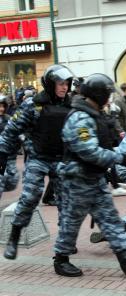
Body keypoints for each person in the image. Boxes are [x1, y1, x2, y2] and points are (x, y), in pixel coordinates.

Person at [53, 73, 126, 277]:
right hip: (78, 180)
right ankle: (61, 259)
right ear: (98, 95)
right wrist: (118, 157)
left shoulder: (94, 113)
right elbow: (88, 151)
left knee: (110, 219)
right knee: (71, 222)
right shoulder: (81, 117)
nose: (109, 98)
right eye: (106, 93)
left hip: (94, 178)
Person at [1, 64, 74, 260]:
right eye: (60, 83)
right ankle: (14, 237)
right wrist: (2, 155)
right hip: (38, 159)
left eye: (67, 83)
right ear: (50, 84)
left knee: (67, 203)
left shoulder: (72, 106)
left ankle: (64, 243)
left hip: (61, 160)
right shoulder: (33, 105)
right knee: (30, 197)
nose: (64, 87)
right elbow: (10, 131)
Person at [0, 96, 19, 197]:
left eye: (3, 106)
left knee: (13, 180)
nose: (1, 109)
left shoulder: (8, 119)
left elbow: (17, 131)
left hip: (9, 155)